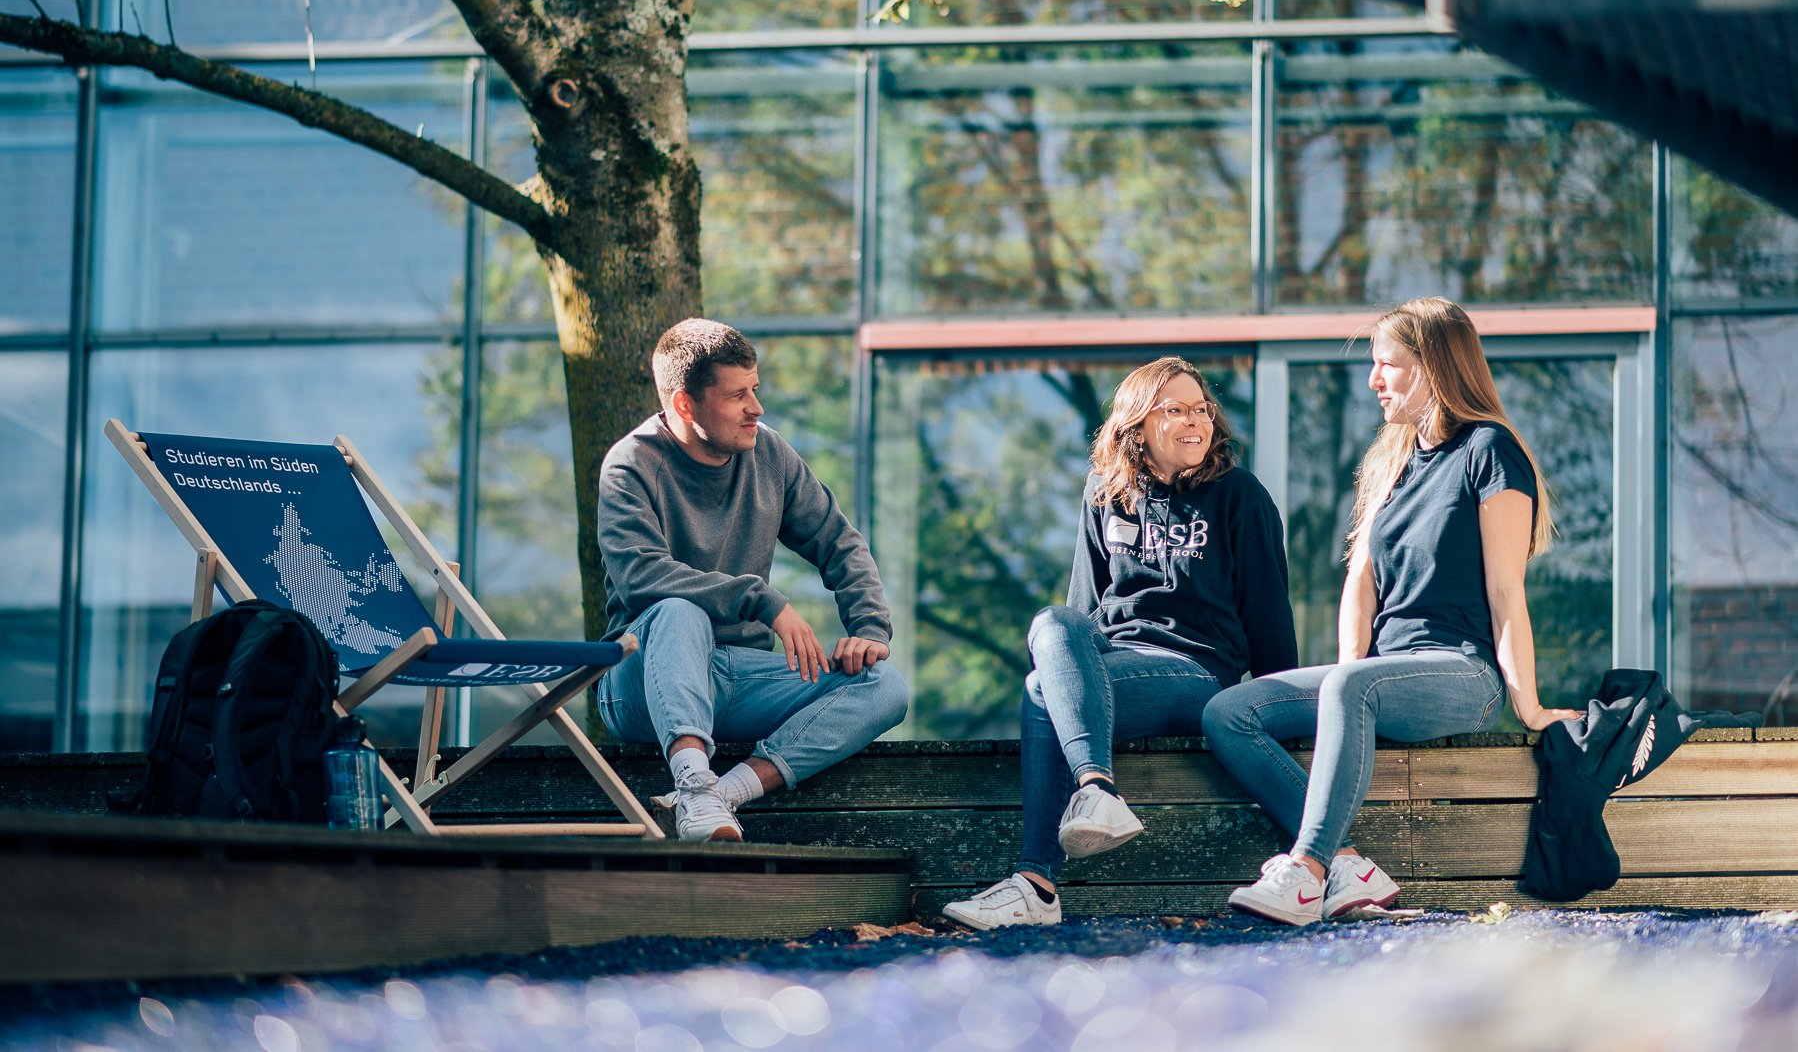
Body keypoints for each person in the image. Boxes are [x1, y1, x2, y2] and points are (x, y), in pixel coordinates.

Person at [1203, 297, 1582, 925]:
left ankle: (1306, 871)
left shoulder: (1491, 451)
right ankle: (1347, 864)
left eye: (1390, 365)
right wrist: (1343, 687)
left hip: (1462, 672)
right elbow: (1360, 581)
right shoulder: (1392, 459)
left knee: (1349, 683)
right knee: (1229, 711)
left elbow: (1506, 590)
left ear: (1434, 365)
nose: (1374, 380)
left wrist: (1529, 705)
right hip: (1386, 673)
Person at [942, 356, 1299, 930]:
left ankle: (1038, 879)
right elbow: (1083, 607)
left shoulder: (1240, 495)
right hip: (1116, 662)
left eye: (1201, 409)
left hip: (1195, 671)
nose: (1195, 422)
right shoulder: (1105, 493)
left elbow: (1269, 613)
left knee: (1040, 691)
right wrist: (1072, 674)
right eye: (1175, 410)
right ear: (1136, 425)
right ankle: (1093, 792)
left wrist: (1286, 712)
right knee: (1051, 634)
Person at [595, 318, 908, 841]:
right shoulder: (630, 466)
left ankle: (722, 795)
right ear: (684, 405)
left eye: (755, 390)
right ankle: (694, 784)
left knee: (884, 687)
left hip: (737, 678)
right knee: (677, 611)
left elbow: (839, 542)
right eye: (738, 395)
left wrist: (870, 628)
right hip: (642, 681)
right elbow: (641, 578)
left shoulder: (769, 452)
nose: (756, 409)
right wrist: (760, 599)